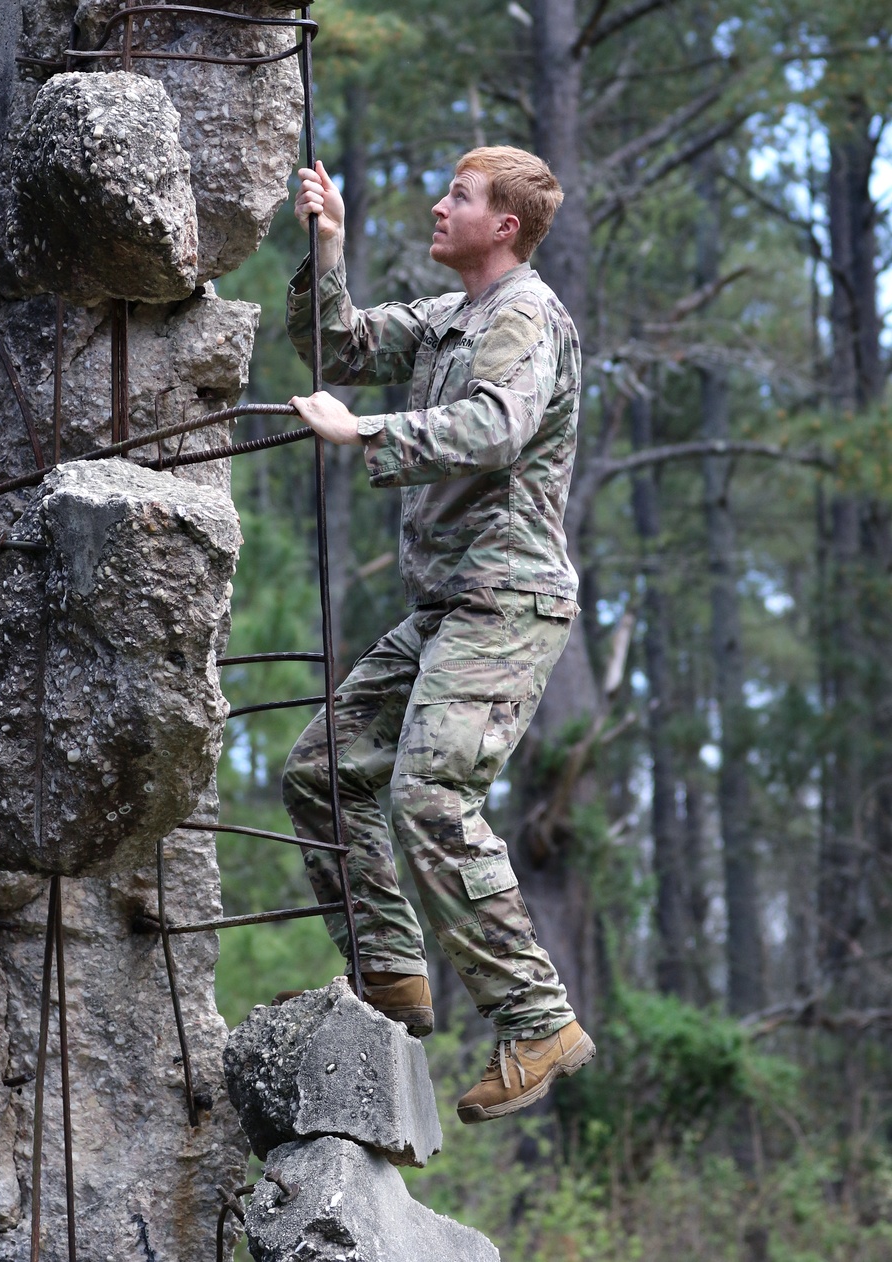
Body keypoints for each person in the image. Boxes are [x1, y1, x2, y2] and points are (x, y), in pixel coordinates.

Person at [281, 146, 594, 1124]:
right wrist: (326, 247)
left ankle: (535, 1018)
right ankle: (390, 971)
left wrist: (365, 434)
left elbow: (498, 425)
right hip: (446, 607)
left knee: (426, 786)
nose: (437, 204)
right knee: (325, 769)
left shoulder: (525, 314)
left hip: (506, 602)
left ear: (503, 224)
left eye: (457, 196)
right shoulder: (448, 319)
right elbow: (336, 348)